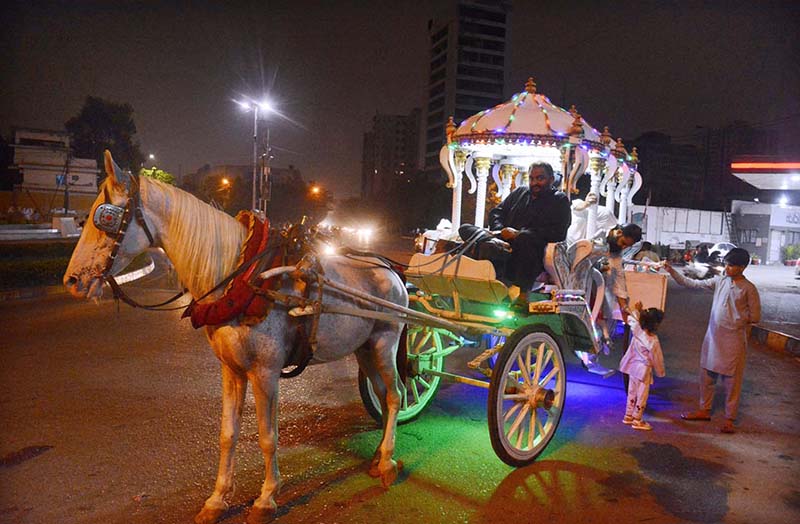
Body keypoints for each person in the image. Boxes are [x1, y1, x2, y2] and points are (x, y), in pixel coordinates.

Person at [664, 247, 761, 434]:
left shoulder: (749, 289)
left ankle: (729, 419)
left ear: (742, 267)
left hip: (734, 339)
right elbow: (691, 283)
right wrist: (671, 271)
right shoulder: (720, 281)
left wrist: (736, 320)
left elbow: (755, 316)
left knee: (732, 381)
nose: (727, 268)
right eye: (726, 264)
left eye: (732, 265)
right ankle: (704, 409)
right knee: (707, 375)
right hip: (713, 336)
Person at [459, 162, 571, 302]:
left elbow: (557, 232)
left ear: (551, 179)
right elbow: (497, 212)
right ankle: (477, 283)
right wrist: (499, 231)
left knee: (525, 239)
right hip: (501, 240)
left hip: (531, 248)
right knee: (465, 229)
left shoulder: (559, 200)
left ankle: (522, 296)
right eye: (532, 178)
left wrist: (518, 234)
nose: (535, 182)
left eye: (540, 178)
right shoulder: (520, 192)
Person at [620, 301, 666, 431]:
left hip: (632, 367)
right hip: (644, 370)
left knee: (632, 391)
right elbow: (657, 359)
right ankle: (637, 419)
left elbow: (632, 319)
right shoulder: (653, 341)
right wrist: (660, 372)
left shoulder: (637, 331)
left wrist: (637, 310)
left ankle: (628, 415)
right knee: (642, 395)